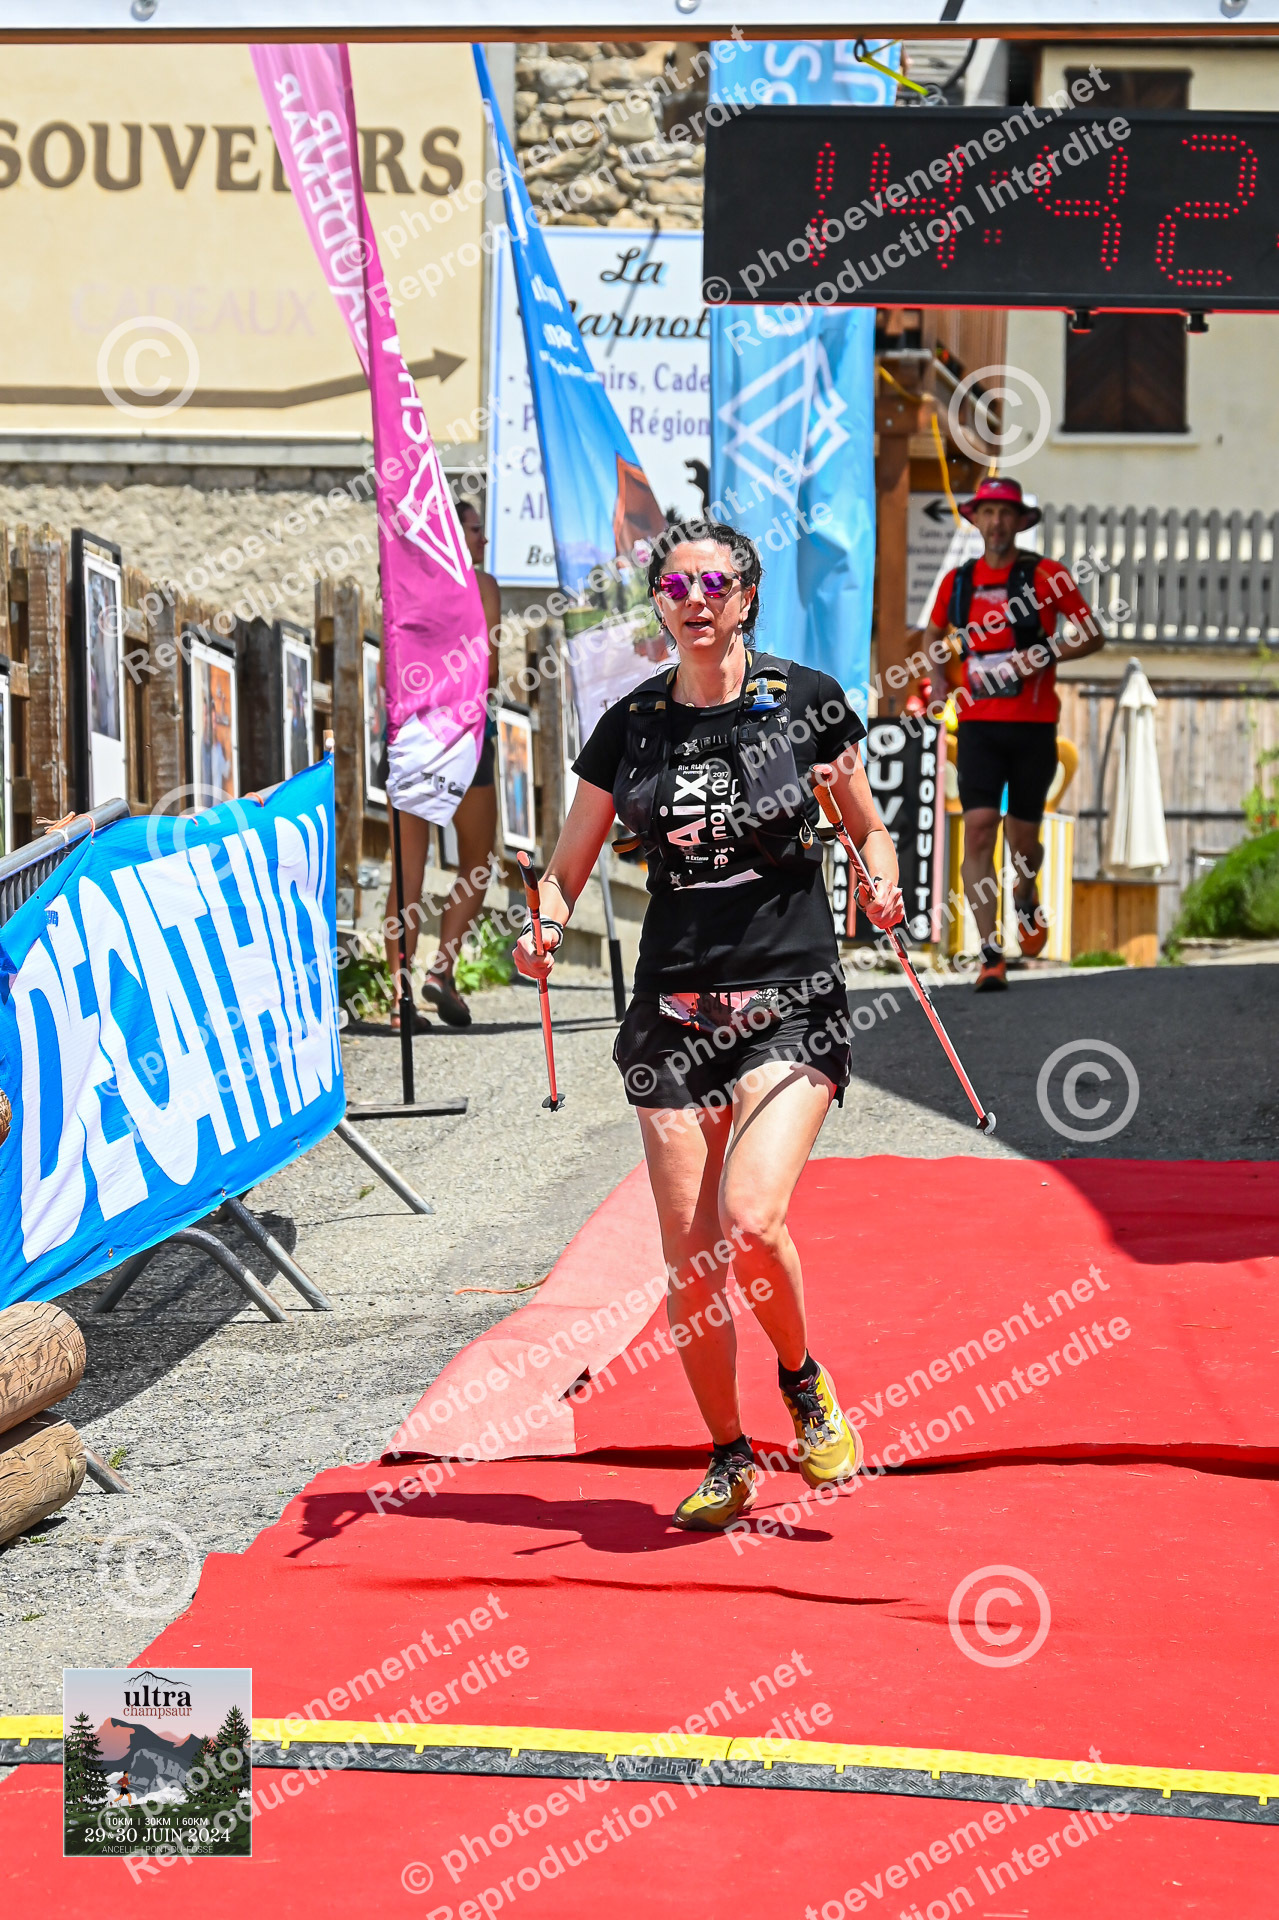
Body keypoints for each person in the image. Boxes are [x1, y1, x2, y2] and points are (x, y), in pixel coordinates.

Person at [514, 519, 903, 1530]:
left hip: (789, 1002)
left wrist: (882, 886)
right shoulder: (631, 724)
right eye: (676, 586)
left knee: (750, 1219)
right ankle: (729, 1455)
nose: (695, 600)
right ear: (658, 602)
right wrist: (542, 929)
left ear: (746, 597)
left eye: (714, 583)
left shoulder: (806, 702)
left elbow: (867, 831)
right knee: (692, 1261)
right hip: (673, 1008)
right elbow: (565, 868)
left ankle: (803, 1384)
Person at [923, 476, 1105, 991]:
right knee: (980, 827)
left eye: (1006, 513)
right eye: (988, 512)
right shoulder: (958, 581)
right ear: (976, 520)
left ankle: (1025, 895)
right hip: (977, 724)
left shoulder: (1047, 575)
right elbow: (933, 634)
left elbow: (1092, 633)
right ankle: (990, 953)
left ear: (1021, 521)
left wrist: (1045, 653)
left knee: (1024, 840)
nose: (997, 522)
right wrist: (938, 680)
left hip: (1033, 726)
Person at [384, 497, 502, 1030]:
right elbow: (489, 671)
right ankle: (442, 968)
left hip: (413, 731)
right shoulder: (480, 584)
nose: (483, 539)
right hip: (465, 730)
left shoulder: (408, 582)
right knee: (476, 862)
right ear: (456, 532)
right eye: (476, 529)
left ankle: (397, 998)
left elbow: (390, 667)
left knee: (407, 870)